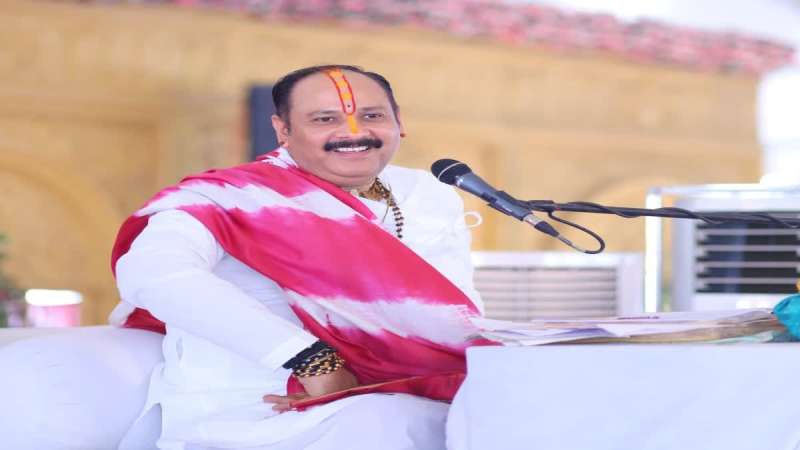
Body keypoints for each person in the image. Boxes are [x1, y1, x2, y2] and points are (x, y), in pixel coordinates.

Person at [109, 64, 487, 450]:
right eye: (325, 119)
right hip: (254, 414)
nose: (353, 133)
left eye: (372, 116)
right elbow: (152, 274)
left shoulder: (427, 195)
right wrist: (309, 359)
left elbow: (452, 320)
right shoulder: (229, 197)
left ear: (399, 121)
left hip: (413, 395)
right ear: (283, 130)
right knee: (392, 425)